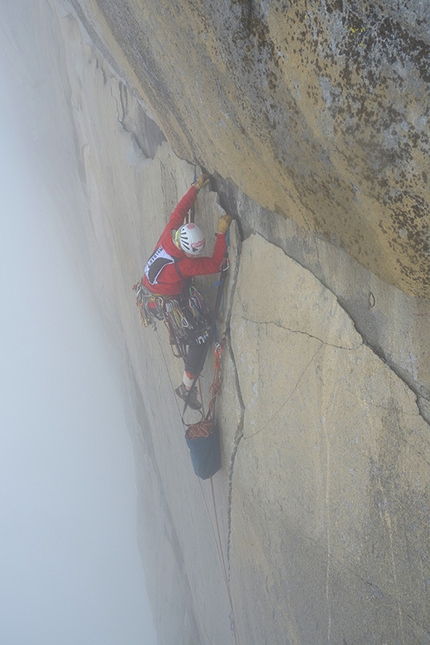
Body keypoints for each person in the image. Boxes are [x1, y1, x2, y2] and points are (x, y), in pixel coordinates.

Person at [142, 174, 233, 410]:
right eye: (194, 253)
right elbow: (214, 264)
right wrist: (221, 235)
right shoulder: (184, 264)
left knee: (188, 286)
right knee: (199, 339)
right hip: (163, 300)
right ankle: (185, 386)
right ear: (186, 249)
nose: (196, 257)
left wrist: (195, 189)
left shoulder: (170, 232)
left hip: (153, 289)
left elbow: (180, 210)